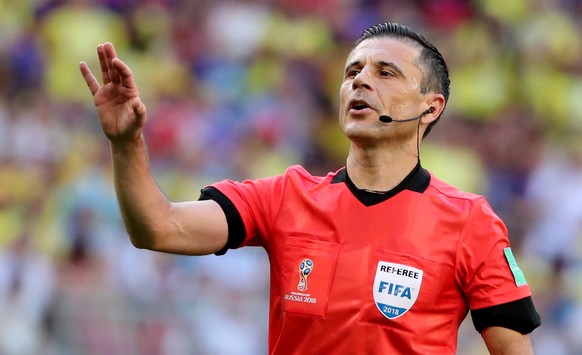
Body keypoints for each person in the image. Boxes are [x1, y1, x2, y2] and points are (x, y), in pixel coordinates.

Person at [80, 22, 541, 354]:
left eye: (385, 72)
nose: (359, 80)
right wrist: (127, 143)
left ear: (430, 108)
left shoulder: (470, 221)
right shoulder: (285, 197)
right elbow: (158, 229)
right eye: (352, 72)